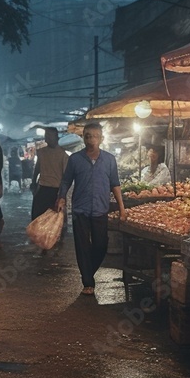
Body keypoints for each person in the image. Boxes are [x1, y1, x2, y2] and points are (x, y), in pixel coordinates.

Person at [56, 123, 126, 297]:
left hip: (101, 209)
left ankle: (89, 271)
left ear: (101, 138)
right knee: (82, 246)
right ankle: (88, 281)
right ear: (83, 138)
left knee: (101, 245)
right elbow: (66, 181)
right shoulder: (75, 159)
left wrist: (122, 208)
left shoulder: (109, 159)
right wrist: (61, 197)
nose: (91, 139)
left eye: (95, 136)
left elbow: (115, 184)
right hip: (80, 209)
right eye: (88, 136)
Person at [31, 127, 68, 220]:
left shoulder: (63, 155)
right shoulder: (41, 152)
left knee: (55, 220)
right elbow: (37, 169)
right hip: (42, 188)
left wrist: (62, 195)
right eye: (46, 136)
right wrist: (33, 182)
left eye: (50, 136)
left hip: (56, 190)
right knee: (37, 218)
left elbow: (66, 177)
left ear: (56, 137)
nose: (47, 138)